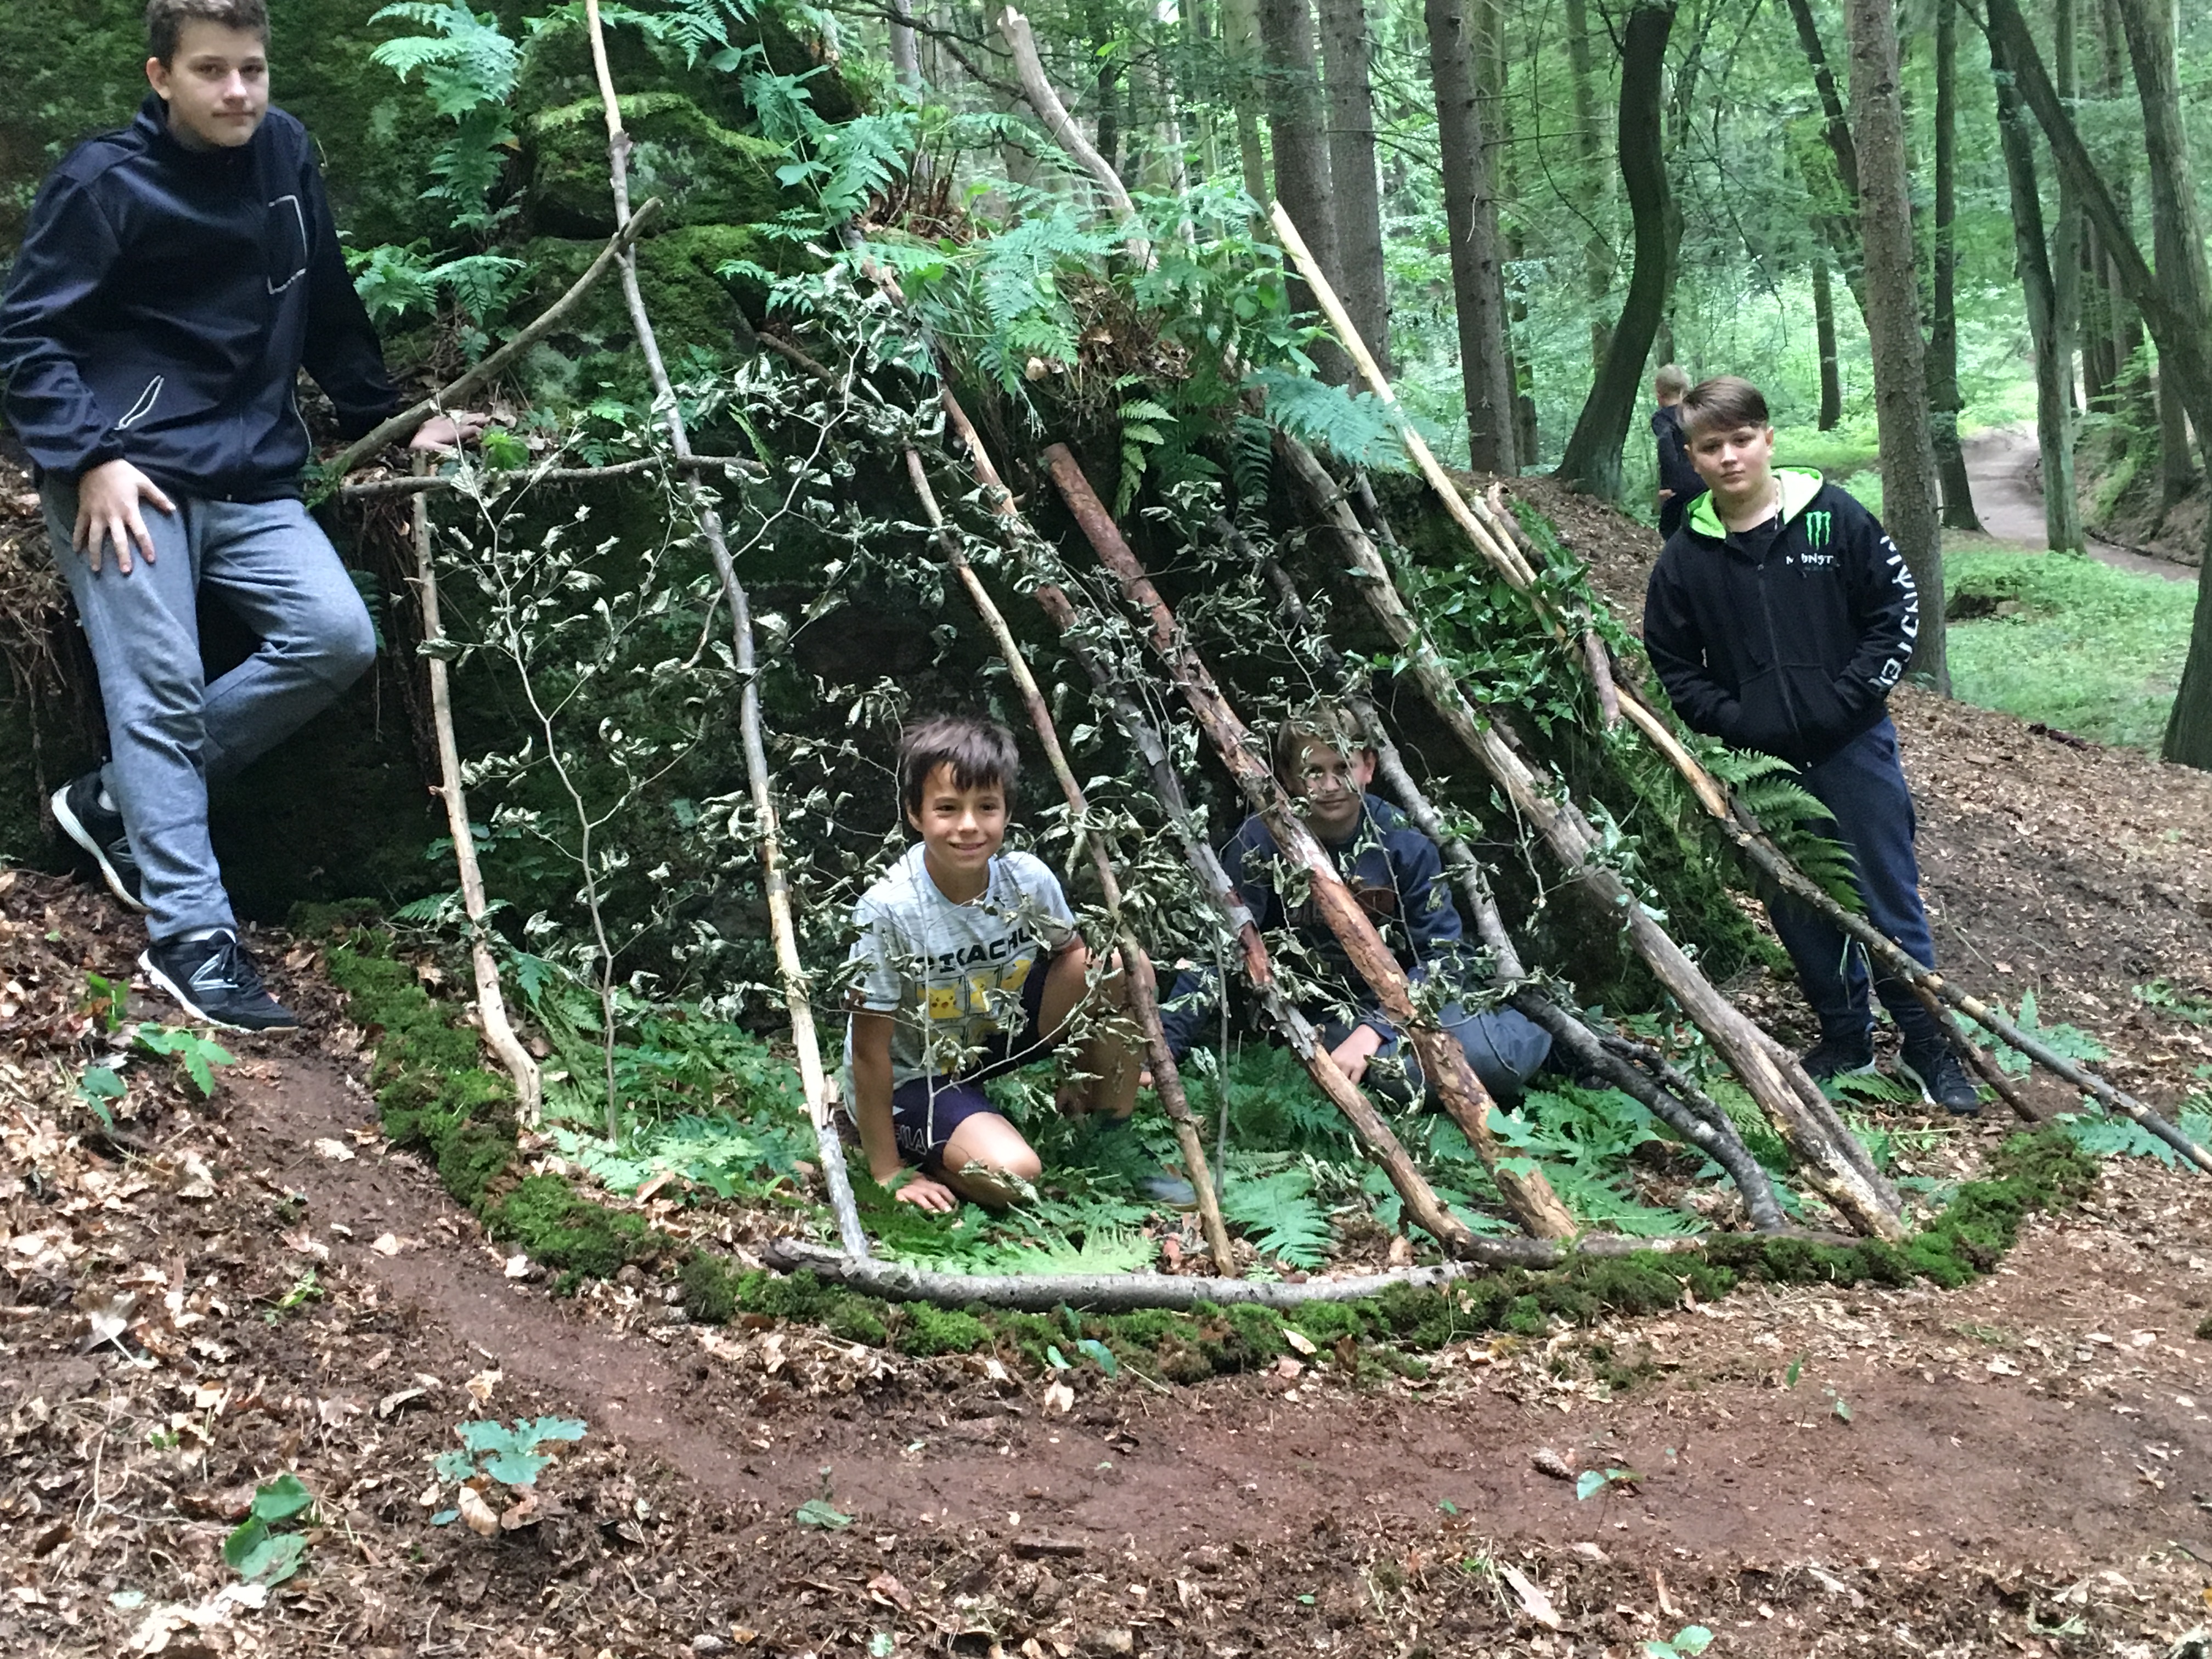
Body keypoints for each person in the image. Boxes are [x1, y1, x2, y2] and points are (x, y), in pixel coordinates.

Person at [0, 0, 481, 1031]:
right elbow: (27, 337)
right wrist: (87, 455)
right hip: (126, 476)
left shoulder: (285, 154)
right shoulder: (103, 181)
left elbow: (327, 297)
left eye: (252, 70)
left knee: (336, 636)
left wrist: (387, 420)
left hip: (249, 470)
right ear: (161, 77)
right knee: (160, 688)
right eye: (211, 71)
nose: (237, 92)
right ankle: (192, 937)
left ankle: (115, 801)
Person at [1641, 374, 1978, 1114]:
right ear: (1692, 457)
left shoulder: (1833, 517)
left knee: (1888, 898)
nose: (1729, 457)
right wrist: (1735, 723)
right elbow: (1672, 662)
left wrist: (1850, 696)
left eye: (1741, 440)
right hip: (1762, 765)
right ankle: (1846, 1037)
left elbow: (1896, 610)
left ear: (1767, 439)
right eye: (1711, 447)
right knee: (1796, 901)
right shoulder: (1687, 555)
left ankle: (1927, 1044)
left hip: (1856, 747)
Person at [844, 715, 1189, 1214]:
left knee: (1121, 965)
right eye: (947, 808)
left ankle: (1113, 1142)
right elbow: (869, 1050)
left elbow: (1075, 962)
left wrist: (1079, 1070)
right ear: (915, 814)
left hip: (989, 1039)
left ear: (1006, 811)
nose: (969, 825)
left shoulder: (1026, 880)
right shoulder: (889, 909)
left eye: (986, 807)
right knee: (1015, 1175)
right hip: (914, 1075)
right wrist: (886, 1170)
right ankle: (927, 1149)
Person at [1156, 707, 1551, 1107]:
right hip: (1326, 1014)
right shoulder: (1258, 843)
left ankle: (1543, 1037)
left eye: (1343, 767)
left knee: (1492, 1059)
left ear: (1368, 768)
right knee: (1397, 1076)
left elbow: (1443, 957)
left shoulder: (1403, 842)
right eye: (1314, 772)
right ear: (1289, 778)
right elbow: (1221, 950)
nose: (1331, 785)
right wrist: (1165, 1049)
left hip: (1408, 1003)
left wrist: (1376, 1028)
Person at [1650, 363, 1702, 538]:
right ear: (1684, 391)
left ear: (1659, 394)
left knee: (1670, 530)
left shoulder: (1662, 418)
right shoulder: (1695, 415)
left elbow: (1666, 447)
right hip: (1704, 478)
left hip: (1680, 486)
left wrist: (1667, 485)